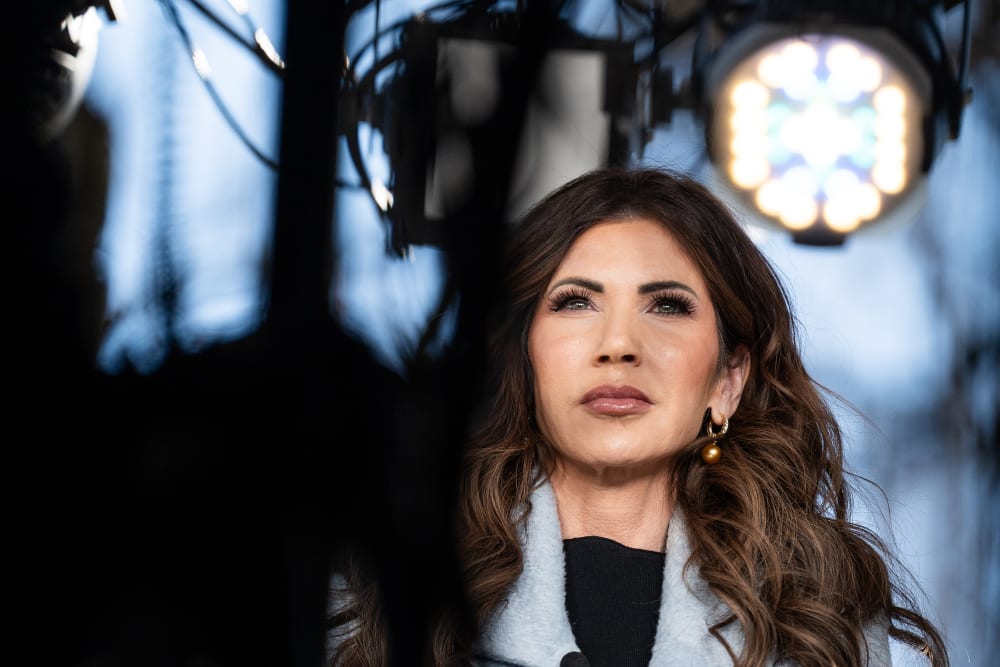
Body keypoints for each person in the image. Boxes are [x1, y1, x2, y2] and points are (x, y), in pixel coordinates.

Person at [327, 166, 948, 666]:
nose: (618, 344)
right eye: (575, 302)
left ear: (728, 381)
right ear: (519, 357)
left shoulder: (819, 607)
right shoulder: (383, 582)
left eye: (667, 307)